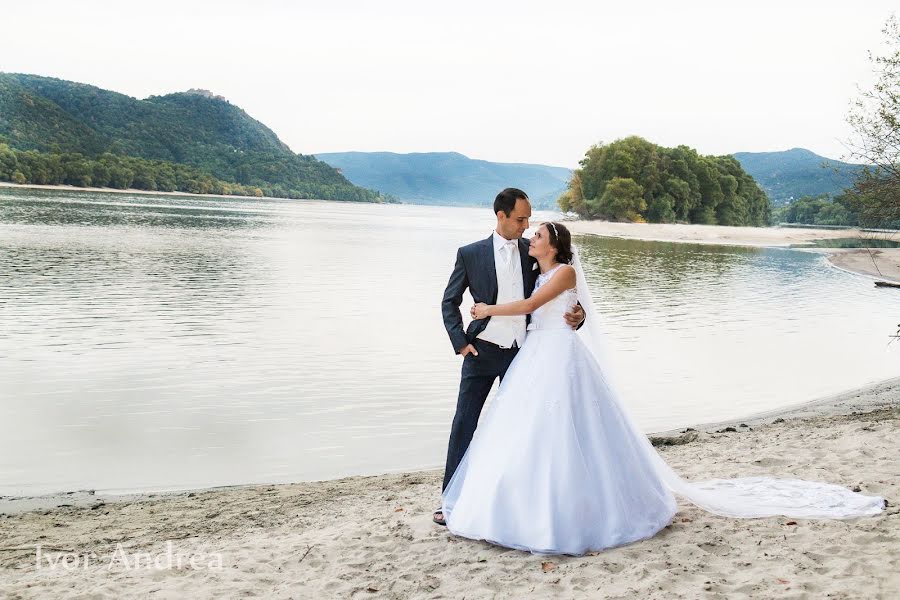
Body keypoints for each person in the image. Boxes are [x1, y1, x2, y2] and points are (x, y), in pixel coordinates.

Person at [440, 220, 886, 556]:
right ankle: (510, 502)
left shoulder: (564, 273)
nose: (530, 238)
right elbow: (548, 307)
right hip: (532, 354)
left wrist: (487, 309)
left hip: (555, 358)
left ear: (553, 244)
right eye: (528, 229)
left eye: (536, 234)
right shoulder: (531, 265)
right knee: (523, 432)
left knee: (566, 430)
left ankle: (569, 512)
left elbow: (539, 305)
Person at [435, 189, 585, 527]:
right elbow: (449, 302)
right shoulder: (470, 253)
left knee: (520, 427)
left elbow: (557, 295)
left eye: (529, 219)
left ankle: (510, 497)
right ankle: (449, 500)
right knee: (465, 424)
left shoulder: (532, 253)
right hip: (481, 352)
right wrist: (460, 342)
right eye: (520, 219)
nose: (526, 226)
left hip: (523, 355)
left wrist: (579, 315)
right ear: (500, 216)